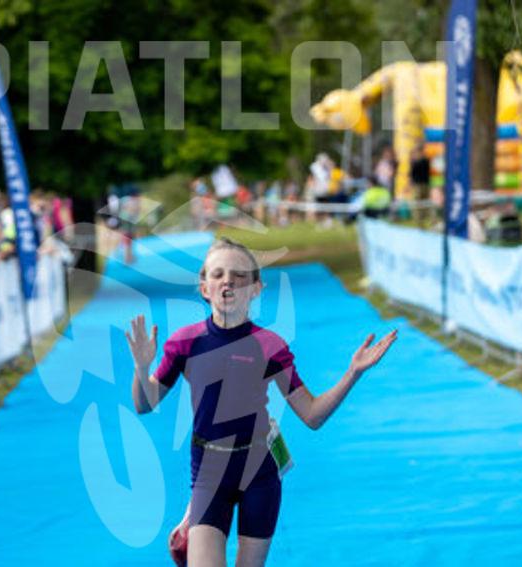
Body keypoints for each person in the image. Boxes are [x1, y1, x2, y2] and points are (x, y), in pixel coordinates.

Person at [126, 237, 397, 567]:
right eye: (218, 274)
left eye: (239, 275)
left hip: (259, 471)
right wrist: (141, 369)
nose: (228, 282)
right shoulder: (185, 343)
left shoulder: (270, 346)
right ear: (205, 288)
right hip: (209, 472)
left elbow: (312, 415)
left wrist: (352, 373)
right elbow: (144, 403)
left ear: (256, 288)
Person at [410, 144, 431, 226]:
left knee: (419, 203)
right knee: (422, 203)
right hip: (423, 184)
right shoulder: (425, 160)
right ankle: (422, 220)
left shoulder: (419, 161)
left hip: (420, 185)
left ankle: (421, 220)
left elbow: (413, 174)